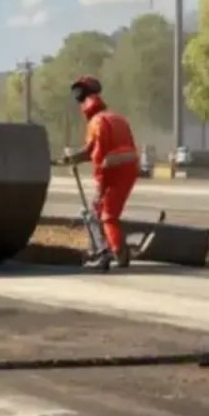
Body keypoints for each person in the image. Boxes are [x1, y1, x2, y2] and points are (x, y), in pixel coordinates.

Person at [58, 75, 139, 271]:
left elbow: (92, 153)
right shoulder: (118, 118)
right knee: (107, 211)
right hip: (130, 169)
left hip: (111, 170)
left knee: (102, 214)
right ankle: (114, 250)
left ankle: (109, 253)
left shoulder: (96, 122)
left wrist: (70, 158)